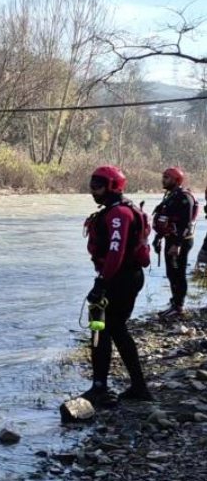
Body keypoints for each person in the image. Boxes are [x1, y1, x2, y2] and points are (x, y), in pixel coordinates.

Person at [82, 165, 153, 404]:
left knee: (100, 328)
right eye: (91, 186)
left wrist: (101, 283)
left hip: (119, 279)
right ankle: (138, 387)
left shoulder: (119, 215)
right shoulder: (118, 210)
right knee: (116, 329)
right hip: (121, 277)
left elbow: (115, 252)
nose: (93, 192)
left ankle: (100, 387)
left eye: (97, 187)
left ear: (112, 187)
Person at [152, 167, 198, 319]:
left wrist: (177, 245)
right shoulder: (170, 196)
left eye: (167, 177)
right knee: (171, 273)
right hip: (170, 239)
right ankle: (174, 303)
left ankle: (179, 307)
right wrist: (158, 238)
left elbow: (186, 223)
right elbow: (164, 218)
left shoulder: (185, 197)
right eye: (163, 176)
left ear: (176, 180)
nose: (163, 179)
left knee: (178, 273)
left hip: (182, 241)